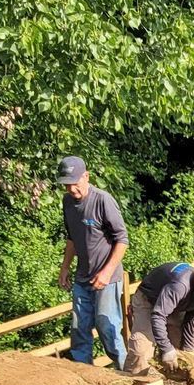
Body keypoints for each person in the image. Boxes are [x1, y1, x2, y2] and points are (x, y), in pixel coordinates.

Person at [56, 155, 129, 369]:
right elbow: (72, 237)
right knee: (79, 329)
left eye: (75, 183)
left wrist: (106, 273)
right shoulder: (67, 202)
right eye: (66, 185)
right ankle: (84, 374)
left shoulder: (102, 200)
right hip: (82, 276)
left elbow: (122, 240)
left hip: (107, 276)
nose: (71, 190)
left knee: (107, 325)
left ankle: (126, 373)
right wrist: (65, 267)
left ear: (86, 176)